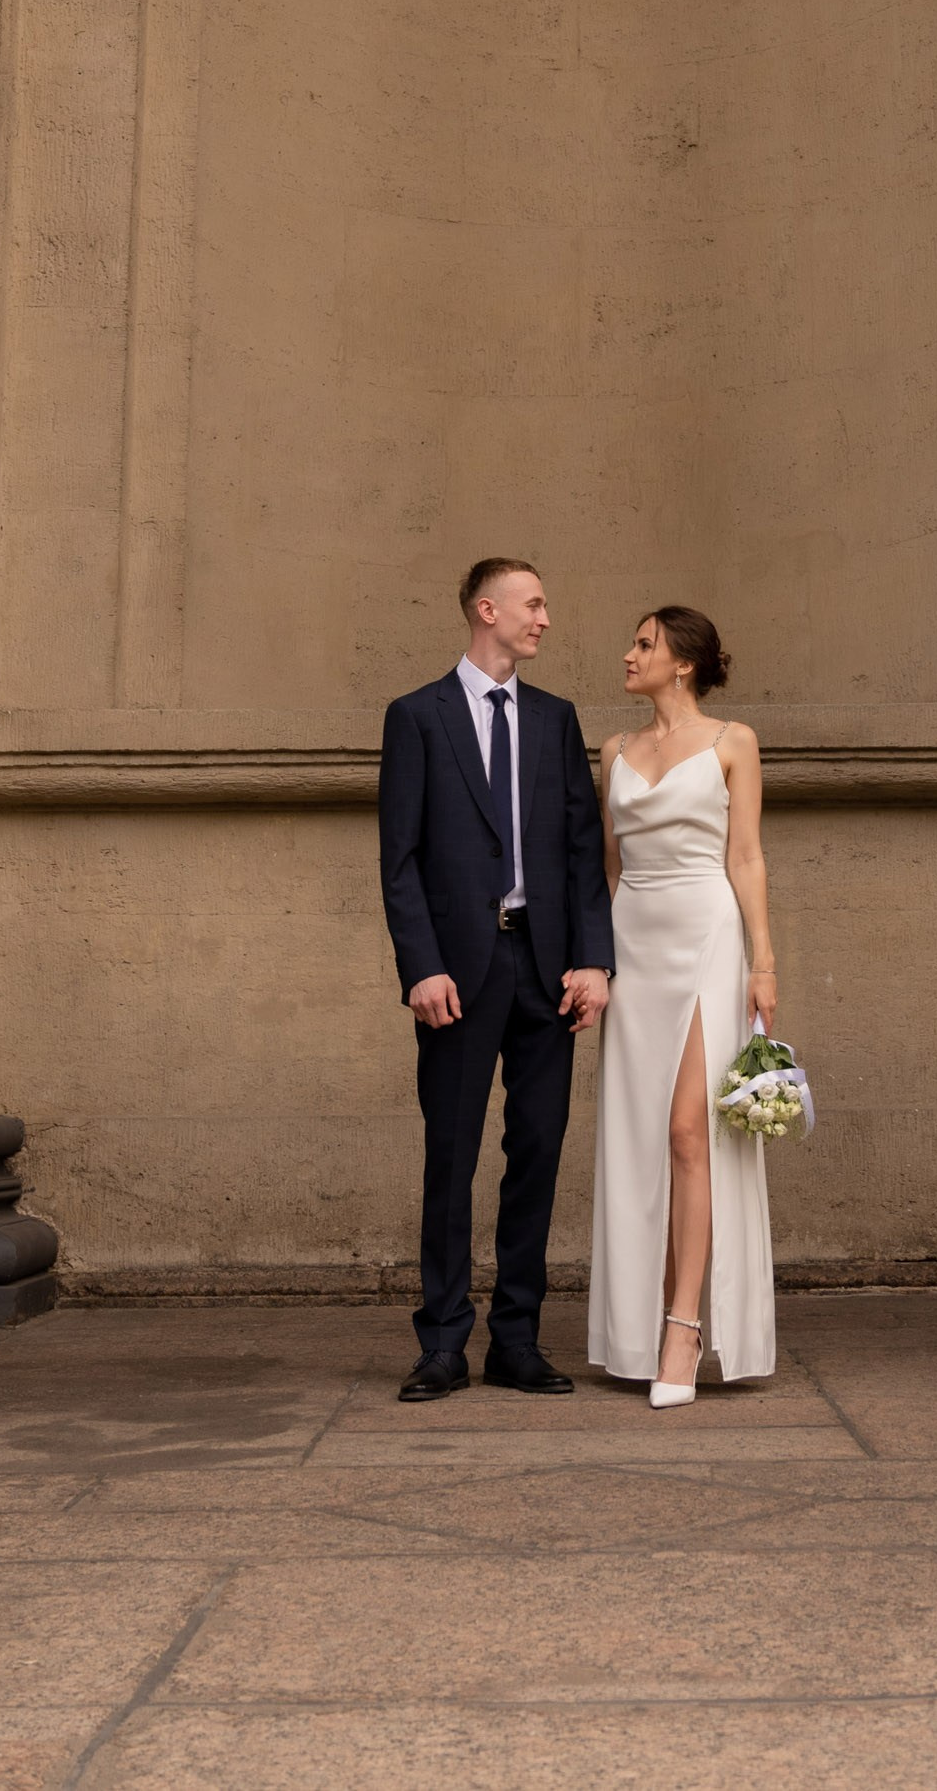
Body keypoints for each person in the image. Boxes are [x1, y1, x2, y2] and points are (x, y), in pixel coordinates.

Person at [379, 558, 615, 1402]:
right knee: (452, 1154)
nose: (545, 619)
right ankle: (442, 1342)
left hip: (546, 970)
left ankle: (516, 1339)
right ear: (488, 610)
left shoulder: (555, 720)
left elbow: (584, 850)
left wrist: (595, 960)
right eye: (534, 604)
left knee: (539, 1150)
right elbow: (399, 859)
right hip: (458, 973)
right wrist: (422, 967)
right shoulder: (417, 717)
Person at [590, 606, 777, 1405]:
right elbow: (606, 868)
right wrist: (598, 963)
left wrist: (763, 962)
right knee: (640, 1139)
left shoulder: (734, 741)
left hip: (707, 935)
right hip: (633, 943)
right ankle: (637, 1328)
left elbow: (746, 856)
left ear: (685, 663)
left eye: (644, 645)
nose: (629, 655)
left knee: (688, 1131)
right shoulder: (614, 751)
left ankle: (684, 1326)